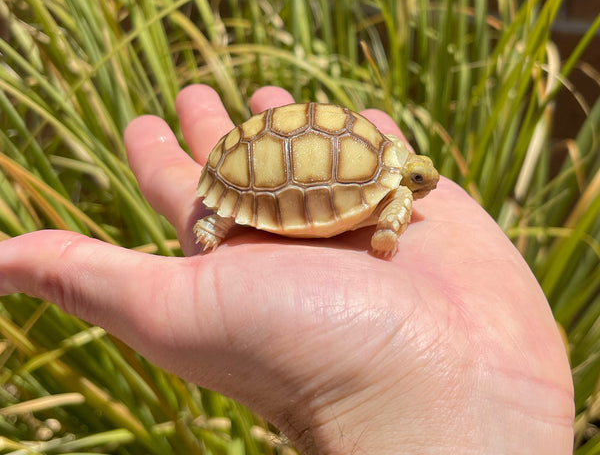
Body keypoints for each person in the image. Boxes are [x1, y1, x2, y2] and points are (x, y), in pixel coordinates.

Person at [0, 85, 574, 454]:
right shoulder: (391, 189)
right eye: (419, 183)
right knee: (233, 209)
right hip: (261, 169)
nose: (425, 189)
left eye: (419, 180)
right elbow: (387, 222)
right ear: (408, 177)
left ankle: (224, 217)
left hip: (288, 157)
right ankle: (223, 220)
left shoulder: (387, 161)